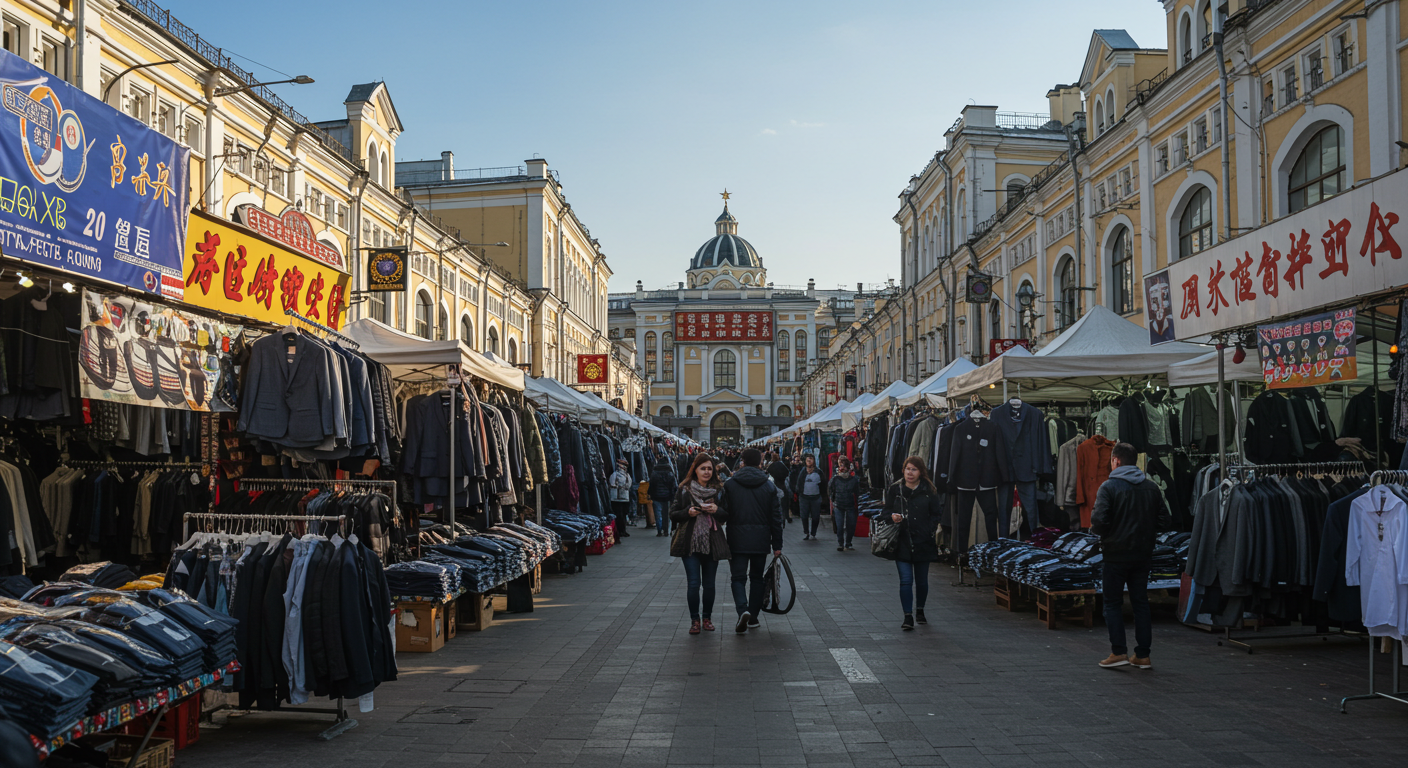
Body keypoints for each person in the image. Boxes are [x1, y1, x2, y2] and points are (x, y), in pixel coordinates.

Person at [1090, 442, 1171, 670]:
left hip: (1115, 555)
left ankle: (1119, 652)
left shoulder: (1108, 487)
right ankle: (1142, 655)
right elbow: (1165, 521)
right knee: (1140, 603)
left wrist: (1109, 534)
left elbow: (1098, 523)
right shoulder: (1151, 487)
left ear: (1115, 461)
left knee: (1113, 604)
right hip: (1142, 555)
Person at [721, 447, 784, 633]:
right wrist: (777, 545)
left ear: (742, 462)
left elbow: (724, 512)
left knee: (738, 578)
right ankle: (753, 617)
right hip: (761, 539)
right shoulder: (769, 485)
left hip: (737, 539)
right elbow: (776, 518)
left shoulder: (730, 485)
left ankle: (742, 610)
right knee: (757, 579)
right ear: (760, 463)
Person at [669, 453, 729, 634]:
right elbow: (673, 514)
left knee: (709, 584)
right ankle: (695, 620)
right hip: (690, 542)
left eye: (710, 468)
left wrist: (717, 510)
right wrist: (688, 512)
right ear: (695, 469)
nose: (707, 472)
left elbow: (727, 515)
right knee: (694, 583)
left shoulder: (719, 490)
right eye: (703, 468)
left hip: (712, 542)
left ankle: (707, 618)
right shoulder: (684, 489)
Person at [883, 456, 940, 630]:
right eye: (908, 468)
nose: (910, 472)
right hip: (902, 541)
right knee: (906, 580)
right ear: (903, 470)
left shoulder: (929, 490)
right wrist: (892, 517)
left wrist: (929, 530)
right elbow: (884, 513)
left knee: (922, 581)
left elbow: (936, 514)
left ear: (921, 472)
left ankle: (920, 610)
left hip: (923, 542)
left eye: (914, 469)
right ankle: (907, 616)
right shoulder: (895, 489)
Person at [829, 458, 861, 551]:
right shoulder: (835, 479)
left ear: (847, 467)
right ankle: (840, 543)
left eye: (843, 465)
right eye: (840, 466)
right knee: (839, 526)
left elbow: (858, 492)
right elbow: (830, 490)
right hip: (838, 505)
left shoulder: (854, 480)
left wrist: (857, 504)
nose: (841, 468)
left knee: (850, 525)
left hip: (850, 505)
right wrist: (833, 500)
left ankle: (848, 543)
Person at [794, 454, 827, 541]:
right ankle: (806, 532)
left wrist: (823, 496)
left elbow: (823, 484)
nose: (809, 462)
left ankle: (813, 532)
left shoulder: (818, 472)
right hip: (804, 497)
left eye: (811, 460)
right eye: (808, 460)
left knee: (815, 516)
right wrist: (798, 493)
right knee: (804, 515)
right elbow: (799, 483)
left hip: (815, 498)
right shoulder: (803, 471)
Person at [648, 459, 678, 537]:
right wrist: (673, 495)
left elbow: (651, 485)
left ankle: (659, 531)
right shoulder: (670, 473)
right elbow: (674, 486)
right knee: (666, 515)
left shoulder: (654, 473)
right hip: (667, 497)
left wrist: (650, 494)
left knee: (658, 514)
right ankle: (666, 530)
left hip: (656, 497)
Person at [607, 459, 634, 541]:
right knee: (623, 515)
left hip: (616, 498)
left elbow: (611, 484)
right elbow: (629, 485)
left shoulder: (614, 475)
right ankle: (622, 530)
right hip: (625, 498)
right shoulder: (627, 476)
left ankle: (619, 531)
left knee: (618, 515)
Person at [766, 452, 791, 522]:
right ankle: (786, 516)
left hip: (775, 485)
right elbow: (787, 472)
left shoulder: (770, 466)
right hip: (783, 485)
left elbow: (768, 473)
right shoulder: (782, 465)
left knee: (777, 504)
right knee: (785, 503)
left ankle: (780, 518)